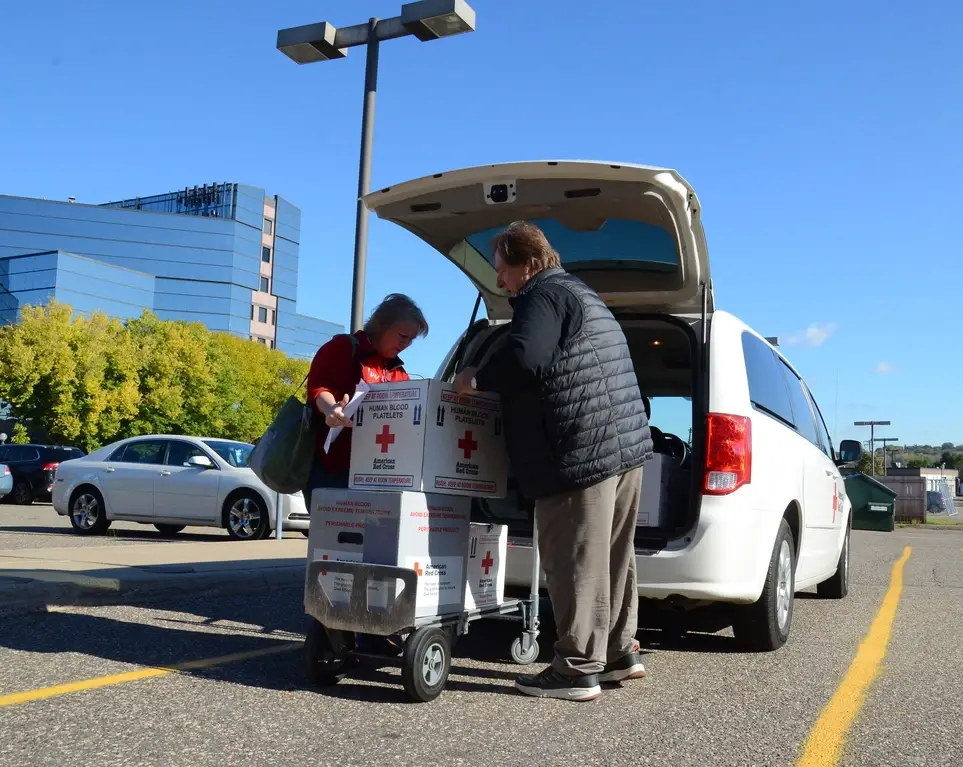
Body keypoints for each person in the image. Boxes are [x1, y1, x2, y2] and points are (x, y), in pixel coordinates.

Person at [454, 221, 652, 702]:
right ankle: (619, 652)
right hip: (623, 446)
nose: (500, 281)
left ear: (527, 263)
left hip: (577, 449)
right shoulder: (581, 294)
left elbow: (526, 358)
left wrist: (476, 380)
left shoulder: (543, 295)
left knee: (574, 559)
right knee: (612, 555)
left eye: (502, 270)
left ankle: (577, 668)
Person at [304, 293, 429, 504]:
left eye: (411, 339)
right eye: (402, 335)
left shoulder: (399, 372)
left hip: (377, 477)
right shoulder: (343, 348)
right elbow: (319, 388)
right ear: (382, 325)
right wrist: (331, 409)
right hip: (332, 472)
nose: (406, 344)